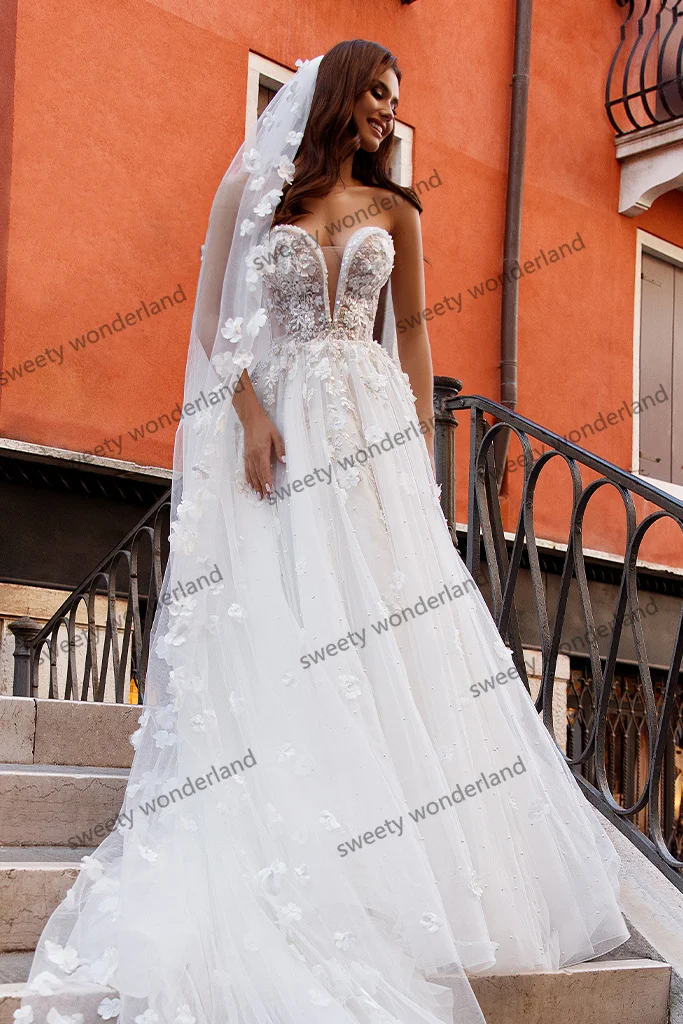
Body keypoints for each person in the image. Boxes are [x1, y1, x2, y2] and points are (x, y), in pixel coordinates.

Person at [18, 39, 629, 1024]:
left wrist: (421, 454)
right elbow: (219, 322)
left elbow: (416, 329)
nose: (388, 112)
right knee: (292, 623)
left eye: (397, 98)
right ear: (339, 95)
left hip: (373, 429)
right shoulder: (255, 200)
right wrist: (252, 415)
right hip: (288, 427)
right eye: (377, 94)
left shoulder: (396, 210)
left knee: (390, 626)